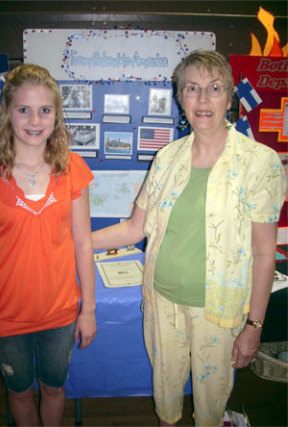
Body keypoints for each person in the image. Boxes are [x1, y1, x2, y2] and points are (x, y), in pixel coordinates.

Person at [92, 50, 286, 426]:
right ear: (180, 98)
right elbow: (134, 228)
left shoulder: (258, 163)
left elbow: (265, 255)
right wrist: (76, 240)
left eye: (214, 88)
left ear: (229, 97)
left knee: (209, 411)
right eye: (192, 88)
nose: (202, 99)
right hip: (162, 303)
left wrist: (254, 327)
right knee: (165, 403)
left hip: (217, 312)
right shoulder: (167, 158)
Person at [0, 64, 96, 426]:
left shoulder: (73, 168)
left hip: (59, 314)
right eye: (24, 109)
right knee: (20, 391)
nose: (35, 120)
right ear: (7, 113)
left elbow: (83, 243)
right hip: (5, 317)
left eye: (45, 109)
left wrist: (88, 311)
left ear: (56, 115)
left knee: (54, 389)